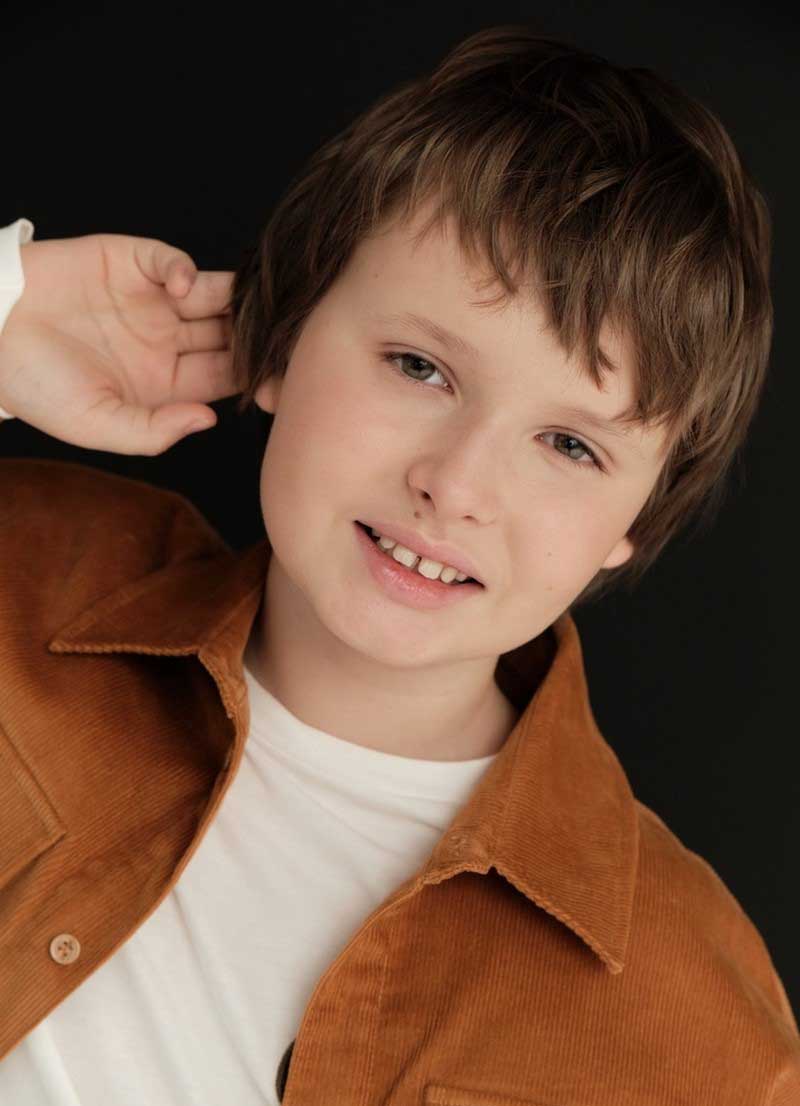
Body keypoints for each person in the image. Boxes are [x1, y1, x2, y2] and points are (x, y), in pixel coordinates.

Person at [0, 24, 797, 1106]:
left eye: (570, 445)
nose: (456, 484)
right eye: (419, 366)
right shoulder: (27, 560)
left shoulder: (700, 1028)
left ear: (637, 520)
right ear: (279, 340)